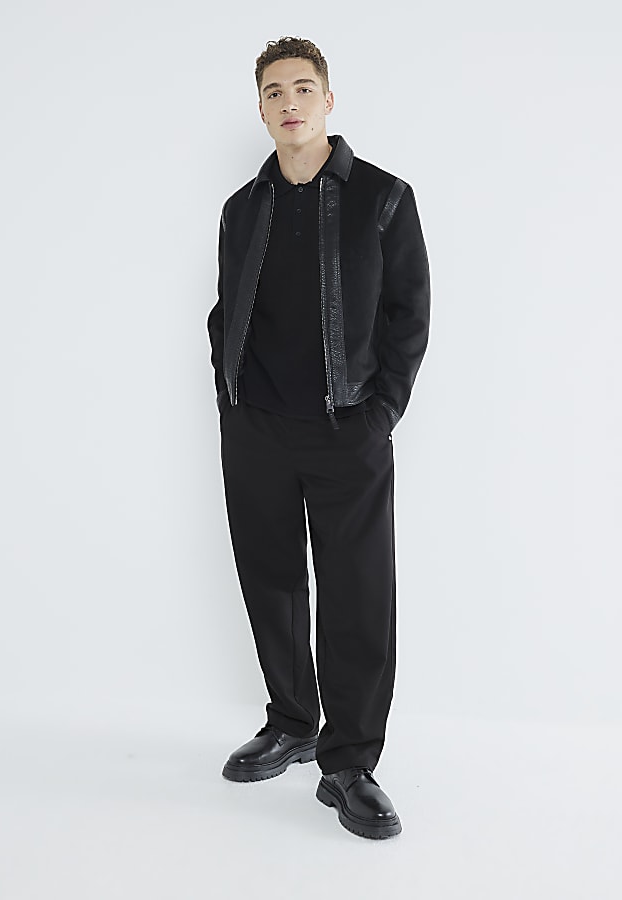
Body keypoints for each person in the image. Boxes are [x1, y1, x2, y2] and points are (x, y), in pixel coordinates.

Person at [206, 36, 431, 840]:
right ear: (261, 109)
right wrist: (230, 401)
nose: (289, 103)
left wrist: (381, 413)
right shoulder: (243, 208)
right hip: (257, 430)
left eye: (302, 88)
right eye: (274, 92)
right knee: (270, 581)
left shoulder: (383, 198)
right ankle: (293, 722)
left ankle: (350, 764)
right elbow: (224, 311)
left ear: (328, 100)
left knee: (357, 596)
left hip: (348, 430)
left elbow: (409, 315)